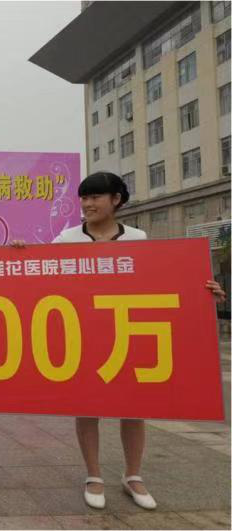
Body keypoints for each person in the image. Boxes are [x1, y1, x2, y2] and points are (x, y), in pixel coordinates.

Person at [17, 171, 226, 510]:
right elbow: (40, 277)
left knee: (133, 406)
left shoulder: (138, 238)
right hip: (83, 335)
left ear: (116, 200)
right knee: (87, 407)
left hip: (127, 330)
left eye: (95, 197)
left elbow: (161, 281)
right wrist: (19, 254)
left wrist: (202, 291)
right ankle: (93, 475)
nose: (88, 204)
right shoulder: (66, 239)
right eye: (84, 198)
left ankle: (133, 475)